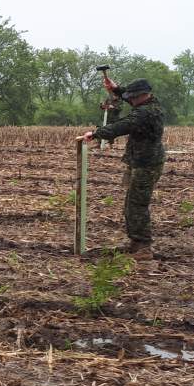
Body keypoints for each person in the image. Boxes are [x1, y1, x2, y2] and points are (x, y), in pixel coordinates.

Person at [78, 78, 165, 261]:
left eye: (133, 97)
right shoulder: (151, 103)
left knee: (137, 205)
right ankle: (136, 242)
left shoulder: (144, 113)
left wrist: (95, 134)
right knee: (131, 203)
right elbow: (129, 99)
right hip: (141, 161)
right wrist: (117, 89)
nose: (130, 100)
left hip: (146, 164)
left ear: (142, 96)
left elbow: (121, 126)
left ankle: (143, 247)